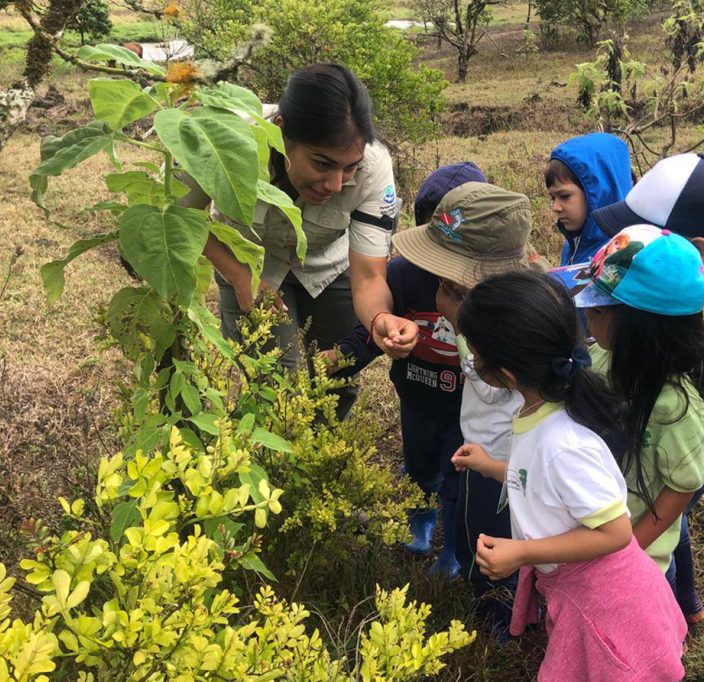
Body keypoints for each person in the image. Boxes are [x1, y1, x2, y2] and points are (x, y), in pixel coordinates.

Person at [451, 270, 686, 681]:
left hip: (605, 604)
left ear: (506, 376)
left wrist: (520, 553)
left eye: (474, 352)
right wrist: (490, 465)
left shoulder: (564, 444)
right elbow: (542, 483)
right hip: (579, 590)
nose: (471, 359)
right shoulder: (539, 412)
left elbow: (615, 533)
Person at [592, 152, 704, 623]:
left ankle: (668, 614)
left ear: (692, 247)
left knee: (669, 516)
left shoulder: (679, 342)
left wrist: (627, 547)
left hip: (673, 459)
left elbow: (681, 476)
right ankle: (687, 604)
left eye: (643, 232)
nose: (621, 240)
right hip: (668, 463)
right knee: (674, 524)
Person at [182, 63, 418, 417]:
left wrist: (379, 319)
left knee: (336, 374)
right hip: (246, 259)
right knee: (270, 383)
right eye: (322, 164)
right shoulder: (220, 138)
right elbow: (179, 215)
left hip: (329, 263)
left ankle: (321, 453)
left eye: (349, 167)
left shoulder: (374, 167)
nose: (337, 185)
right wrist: (237, 274)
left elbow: (369, 276)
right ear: (281, 133)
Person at [324, 162, 487, 577]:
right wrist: (340, 359)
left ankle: (451, 548)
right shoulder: (401, 275)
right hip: (415, 397)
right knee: (418, 467)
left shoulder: (484, 286)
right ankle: (420, 521)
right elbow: (371, 328)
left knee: (457, 480)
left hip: (465, 410)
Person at [392, 181, 539, 634]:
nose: (439, 284)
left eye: (448, 278)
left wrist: (457, 318)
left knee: (494, 543)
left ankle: (501, 617)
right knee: (470, 526)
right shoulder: (498, 307)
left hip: (505, 466)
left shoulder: (506, 329)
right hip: (483, 454)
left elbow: (492, 384)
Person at [551, 225, 704, 578]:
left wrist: (629, 549)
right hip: (593, 534)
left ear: (640, 327)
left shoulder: (675, 408)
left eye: (596, 311)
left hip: (637, 562)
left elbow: (681, 487)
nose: (586, 317)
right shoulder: (601, 360)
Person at [545, 132, 633, 266]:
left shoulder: (621, 256)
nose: (556, 207)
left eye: (564, 196)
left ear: (600, 191)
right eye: (553, 197)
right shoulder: (576, 241)